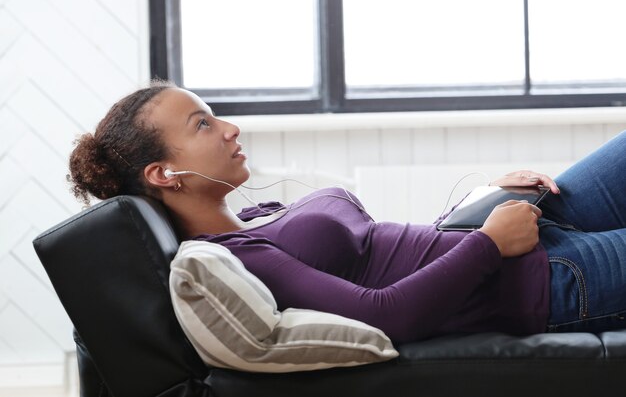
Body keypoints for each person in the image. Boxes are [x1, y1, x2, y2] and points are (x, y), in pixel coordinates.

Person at [68, 81, 626, 344]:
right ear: (164, 174)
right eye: (202, 125)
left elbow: (389, 253)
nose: (230, 128)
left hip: (524, 224)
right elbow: (385, 313)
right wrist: (488, 242)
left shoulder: (254, 219)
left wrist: (484, 202)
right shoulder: (234, 259)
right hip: (544, 277)